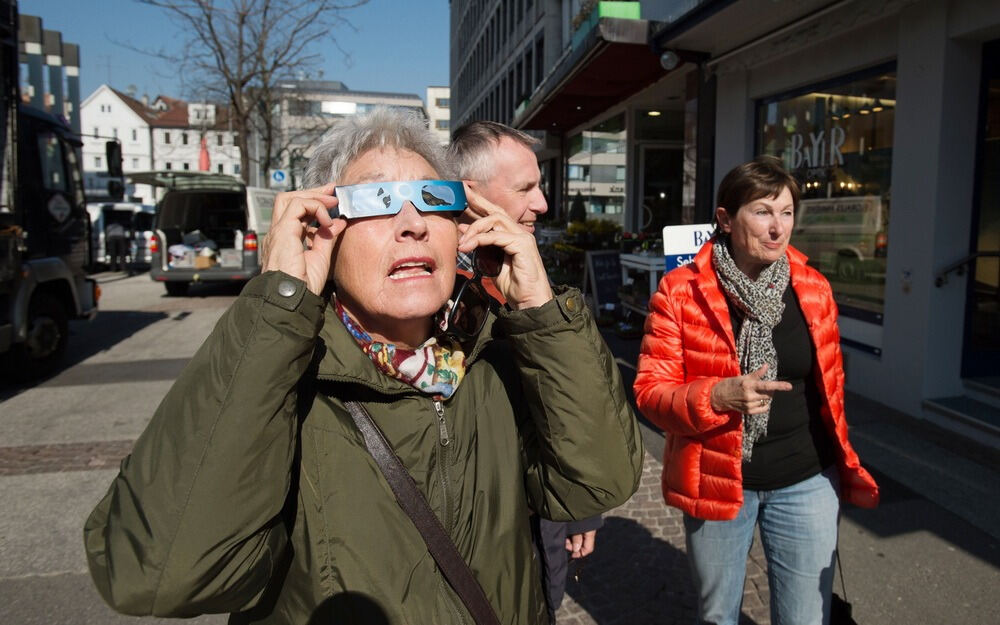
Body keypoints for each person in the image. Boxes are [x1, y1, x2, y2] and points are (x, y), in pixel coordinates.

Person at [84, 107, 643, 625]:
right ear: (320, 230)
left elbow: (598, 484)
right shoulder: (282, 377)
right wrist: (274, 312)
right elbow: (158, 574)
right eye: (376, 200)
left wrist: (541, 311)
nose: (412, 223)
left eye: (432, 198)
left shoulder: (495, 356)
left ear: (462, 227)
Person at [633, 156, 880, 625]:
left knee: (805, 618)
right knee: (718, 616)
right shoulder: (681, 291)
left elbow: (830, 386)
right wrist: (717, 396)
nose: (777, 227)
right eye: (763, 211)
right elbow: (650, 392)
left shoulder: (813, 287)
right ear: (726, 219)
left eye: (786, 213)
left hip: (807, 478)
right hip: (719, 479)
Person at [449, 120, 603, 625]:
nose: (542, 203)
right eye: (525, 189)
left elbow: (566, 402)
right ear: (470, 195)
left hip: (541, 523)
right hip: (474, 539)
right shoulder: (423, 284)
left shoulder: (523, 267)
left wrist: (580, 503)